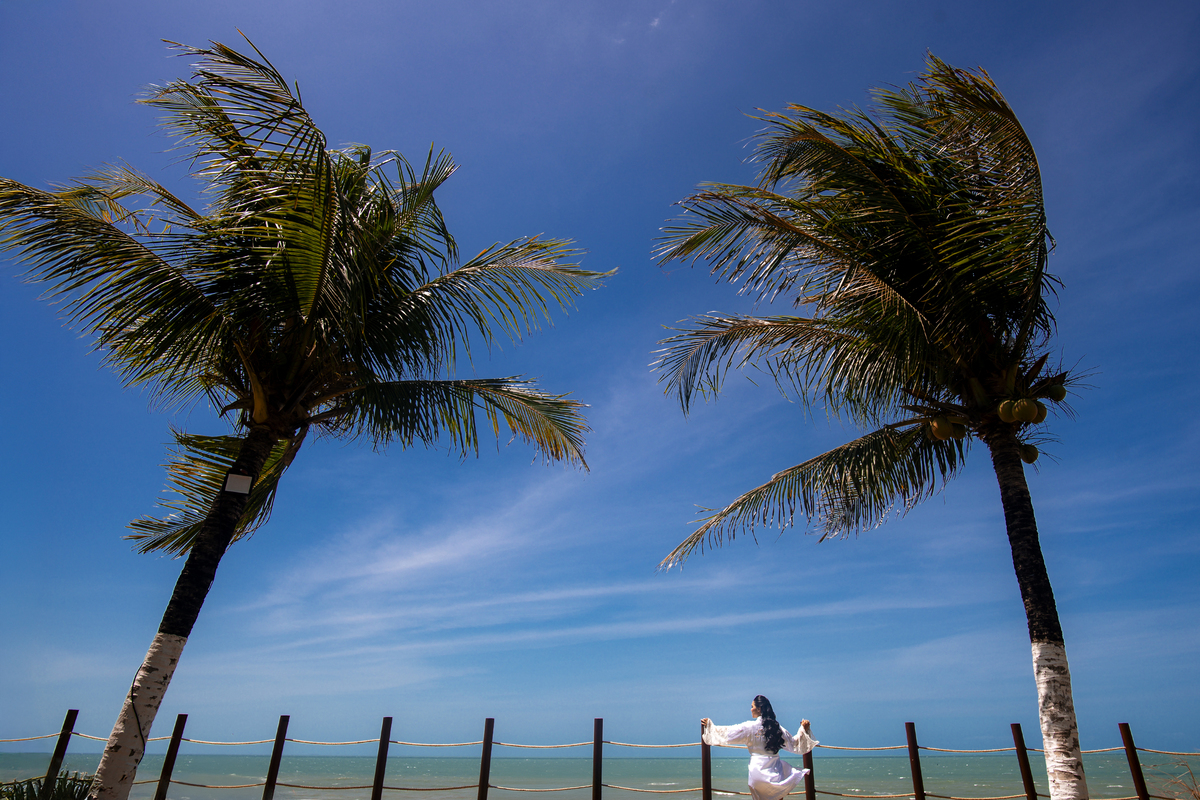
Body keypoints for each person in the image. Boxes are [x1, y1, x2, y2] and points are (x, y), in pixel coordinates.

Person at [701, 695, 817, 800]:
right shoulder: (776, 727)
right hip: (774, 770)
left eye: (752, 706)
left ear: (759, 709)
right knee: (778, 792)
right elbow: (794, 744)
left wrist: (710, 726)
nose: (750, 709)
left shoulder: (749, 727)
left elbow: (728, 733)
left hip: (757, 772)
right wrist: (803, 729)